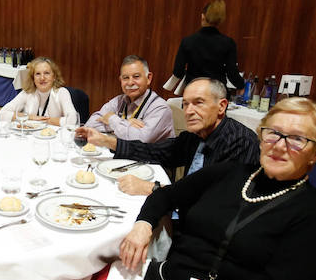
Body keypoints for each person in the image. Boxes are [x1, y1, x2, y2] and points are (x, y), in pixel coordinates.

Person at [121, 98, 316, 280]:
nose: (279, 145)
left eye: (297, 139)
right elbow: (165, 196)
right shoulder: (232, 173)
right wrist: (143, 225)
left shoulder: (315, 215)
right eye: (274, 133)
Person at [78, 78, 259, 195]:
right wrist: (107, 141)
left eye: (198, 103)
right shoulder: (194, 136)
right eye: (185, 104)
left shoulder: (240, 142)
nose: (189, 111)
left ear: (222, 106)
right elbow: (154, 152)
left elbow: (213, 200)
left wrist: (152, 188)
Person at [85, 55, 173, 143]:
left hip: (149, 156)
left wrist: (111, 119)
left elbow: (141, 139)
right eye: (126, 78)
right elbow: (89, 125)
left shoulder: (160, 108)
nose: (130, 83)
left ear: (148, 78)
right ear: (120, 80)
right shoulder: (118, 101)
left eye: (136, 76)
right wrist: (125, 122)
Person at [164, 0, 244, 94]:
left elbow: (178, 71)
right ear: (220, 21)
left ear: (202, 16)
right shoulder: (228, 43)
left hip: (193, 91)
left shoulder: (188, 41)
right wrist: (241, 85)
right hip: (216, 93)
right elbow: (232, 74)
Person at [0, 57, 78, 127]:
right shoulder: (27, 93)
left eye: (46, 73)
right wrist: (30, 117)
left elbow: (73, 120)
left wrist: (46, 121)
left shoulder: (62, 93)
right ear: (33, 78)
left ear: (54, 77)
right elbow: (2, 114)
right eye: (38, 74)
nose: (42, 78)